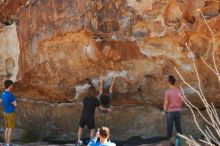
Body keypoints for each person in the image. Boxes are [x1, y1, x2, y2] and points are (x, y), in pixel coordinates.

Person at [76, 77, 116, 145]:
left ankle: (79, 140)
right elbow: (101, 109)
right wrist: (107, 109)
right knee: (92, 129)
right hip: (90, 117)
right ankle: (91, 142)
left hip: (83, 116)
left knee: (80, 128)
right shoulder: (95, 100)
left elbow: (83, 105)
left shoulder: (85, 98)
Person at [1, 80, 17, 146]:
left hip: (5, 112)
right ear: (10, 86)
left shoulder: (2, 93)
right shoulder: (10, 95)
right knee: (10, 129)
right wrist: (11, 103)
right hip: (10, 112)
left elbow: (1, 101)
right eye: (12, 85)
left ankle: (6, 143)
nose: (12, 86)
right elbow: (16, 105)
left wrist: (7, 103)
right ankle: (8, 144)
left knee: (6, 128)